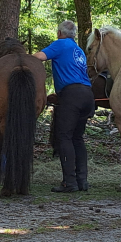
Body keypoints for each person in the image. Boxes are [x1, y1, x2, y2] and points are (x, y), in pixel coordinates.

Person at [32, 20, 95, 193]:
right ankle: (82, 181)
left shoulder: (60, 44)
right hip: (87, 94)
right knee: (77, 137)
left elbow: (39, 57)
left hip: (71, 95)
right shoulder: (78, 49)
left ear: (59, 33)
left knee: (64, 137)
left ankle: (69, 182)